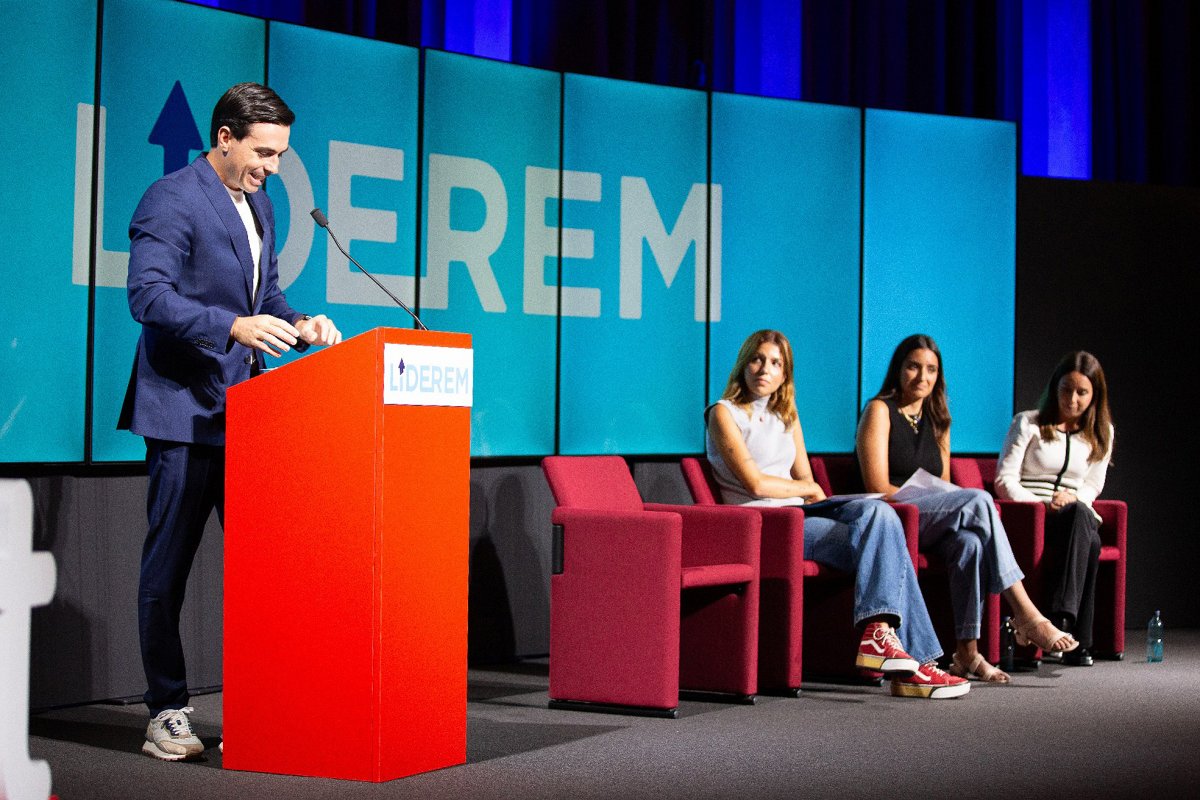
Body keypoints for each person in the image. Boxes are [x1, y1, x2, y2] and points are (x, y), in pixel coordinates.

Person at [117, 83, 342, 760]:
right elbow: (146, 296)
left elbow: (265, 294)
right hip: (183, 411)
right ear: (224, 137)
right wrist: (232, 326)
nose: (273, 166)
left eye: (279, 154)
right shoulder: (171, 198)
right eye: (264, 151)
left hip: (247, 415)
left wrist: (301, 323)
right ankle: (166, 710)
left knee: (266, 571)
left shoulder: (262, 206)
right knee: (169, 570)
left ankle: (270, 702)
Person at [706, 330, 969, 699]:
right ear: (743, 364)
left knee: (879, 515)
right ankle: (918, 666)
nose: (765, 369)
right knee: (886, 541)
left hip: (800, 516)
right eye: (757, 359)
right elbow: (756, 484)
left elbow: (806, 479)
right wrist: (809, 491)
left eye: (776, 363)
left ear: (785, 374)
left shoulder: (787, 415)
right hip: (768, 526)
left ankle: (885, 641)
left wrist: (809, 489)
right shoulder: (723, 413)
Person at [856, 333, 1079, 684]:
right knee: (978, 499)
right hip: (893, 518)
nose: (922, 377)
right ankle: (1025, 613)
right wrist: (935, 500)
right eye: (913, 367)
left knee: (971, 544)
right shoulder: (880, 411)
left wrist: (940, 499)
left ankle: (967, 652)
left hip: (927, 520)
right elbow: (877, 486)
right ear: (898, 369)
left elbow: (941, 485)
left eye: (931, 370)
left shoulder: (939, 420)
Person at [995, 351, 1113, 667]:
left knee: (1082, 522)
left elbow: (1092, 485)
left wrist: (1075, 500)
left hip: (1073, 515)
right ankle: (1073, 633)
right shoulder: (1028, 423)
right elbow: (1004, 480)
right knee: (1091, 539)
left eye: (1082, 392)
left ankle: (1063, 626)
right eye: (1065, 389)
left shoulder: (1103, 433)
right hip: (1030, 516)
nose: (1072, 399)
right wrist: (1041, 505)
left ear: (1094, 396)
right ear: (1054, 388)